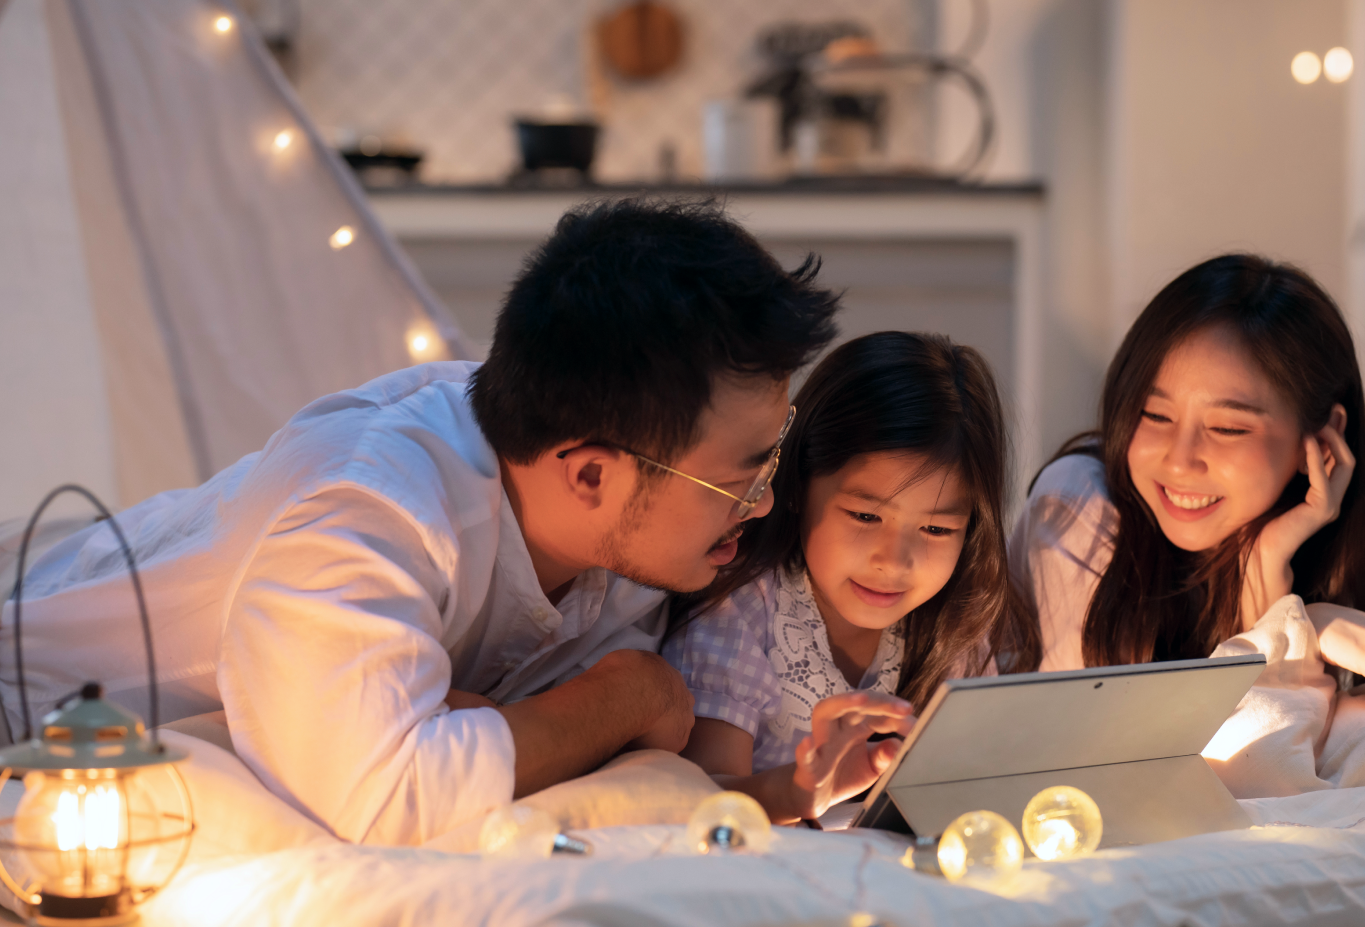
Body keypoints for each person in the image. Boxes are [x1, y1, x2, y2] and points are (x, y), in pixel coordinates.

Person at [5, 200, 839, 844]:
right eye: (740, 474)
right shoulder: (367, 504)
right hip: (35, 721)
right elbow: (385, 796)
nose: (762, 502)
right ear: (590, 473)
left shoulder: (627, 505)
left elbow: (498, 729)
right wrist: (631, 694)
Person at [1011, 253, 1365, 710]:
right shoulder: (1078, 502)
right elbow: (1102, 749)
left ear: (1319, 441)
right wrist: (1300, 629)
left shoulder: (1305, 545)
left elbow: (1277, 761)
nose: (1180, 462)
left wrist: (1270, 575)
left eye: (1228, 429)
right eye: (1154, 415)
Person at [663, 332, 1040, 823]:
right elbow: (706, 799)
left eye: (935, 528)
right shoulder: (740, 609)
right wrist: (796, 792)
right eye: (865, 517)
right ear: (798, 484)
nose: (894, 561)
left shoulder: (956, 625)